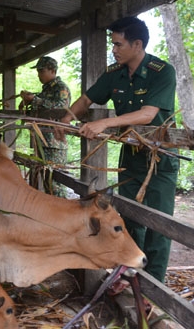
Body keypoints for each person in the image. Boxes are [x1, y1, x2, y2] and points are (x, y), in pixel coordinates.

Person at [57, 16, 179, 283]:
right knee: (131, 218)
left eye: (118, 44)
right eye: (113, 44)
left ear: (137, 44)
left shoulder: (163, 71)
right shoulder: (115, 73)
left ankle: (154, 284)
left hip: (159, 160)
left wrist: (104, 122)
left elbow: (147, 114)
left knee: (159, 224)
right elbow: (88, 98)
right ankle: (130, 274)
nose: (114, 49)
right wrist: (66, 118)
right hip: (131, 157)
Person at [19, 56, 71, 197]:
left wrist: (35, 99)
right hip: (41, 140)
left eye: (42, 71)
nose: (39, 75)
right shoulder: (45, 91)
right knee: (43, 178)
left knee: (55, 182)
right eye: (38, 71)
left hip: (54, 142)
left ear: (52, 70)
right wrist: (27, 102)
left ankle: (62, 213)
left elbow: (62, 107)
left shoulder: (61, 88)